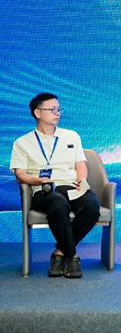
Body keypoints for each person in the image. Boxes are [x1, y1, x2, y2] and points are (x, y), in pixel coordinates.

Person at [10, 93, 100, 278]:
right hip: (44, 189)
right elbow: (20, 174)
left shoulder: (71, 136)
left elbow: (80, 164)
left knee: (92, 207)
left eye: (59, 109)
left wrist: (81, 180)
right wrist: (39, 180)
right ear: (37, 113)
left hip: (71, 186)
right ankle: (72, 257)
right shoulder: (22, 143)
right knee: (58, 204)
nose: (57, 113)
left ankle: (60, 253)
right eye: (52, 109)